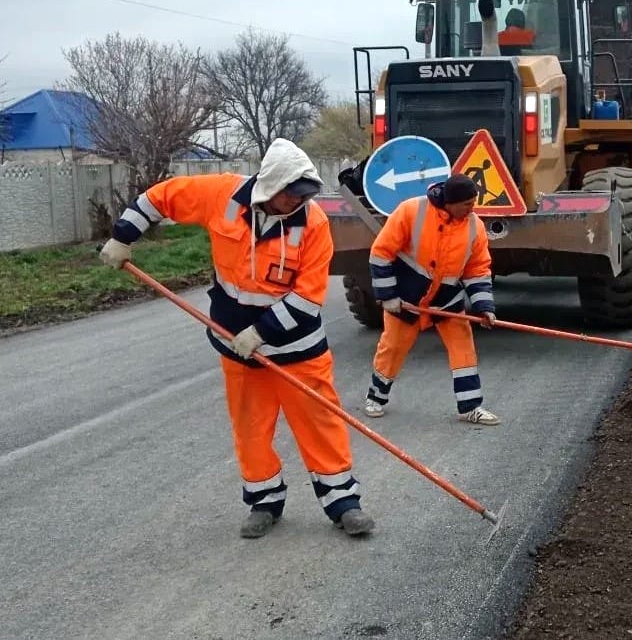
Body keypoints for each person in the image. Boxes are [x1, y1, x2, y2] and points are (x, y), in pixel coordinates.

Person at [98, 138, 374, 540]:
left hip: (297, 349)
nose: (297, 202)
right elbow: (161, 197)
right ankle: (264, 501)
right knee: (250, 427)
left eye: (304, 195)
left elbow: (308, 298)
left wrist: (261, 333)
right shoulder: (221, 195)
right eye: (290, 195)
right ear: (270, 185)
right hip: (234, 345)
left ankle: (343, 502)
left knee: (320, 422)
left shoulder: (313, 224)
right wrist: (124, 236)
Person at [364, 173, 501, 426]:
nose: (472, 209)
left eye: (474, 203)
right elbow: (381, 253)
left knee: (463, 349)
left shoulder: (475, 226)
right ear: (450, 202)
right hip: (406, 299)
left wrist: (484, 307)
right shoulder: (411, 211)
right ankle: (376, 397)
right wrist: (388, 296)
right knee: (392, 348)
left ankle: (470, 407)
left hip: (446, 301)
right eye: (467, 204)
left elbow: (478, 270)